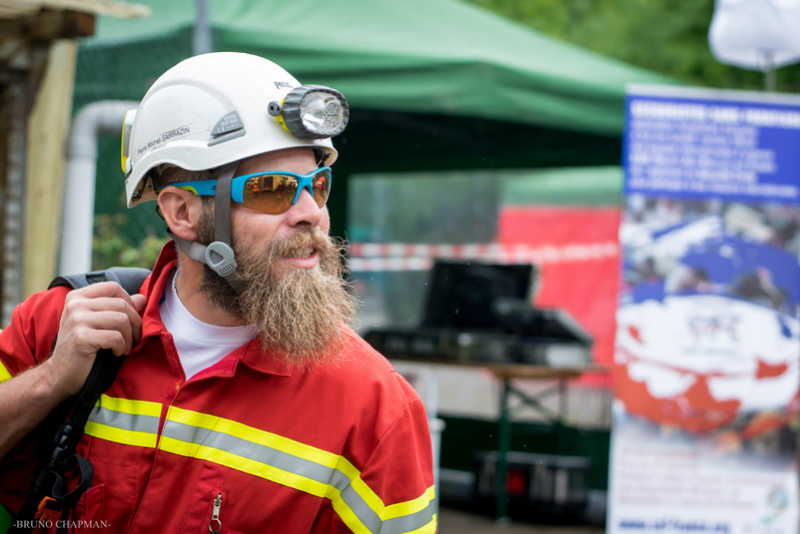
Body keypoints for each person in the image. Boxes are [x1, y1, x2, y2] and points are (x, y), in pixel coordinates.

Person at [0, 52, 436, 533]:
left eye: (319, 185)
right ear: (182, 213)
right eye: (272, 189)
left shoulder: (374, 408)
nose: (311, 212)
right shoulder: (58, 327)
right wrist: (49, 382)